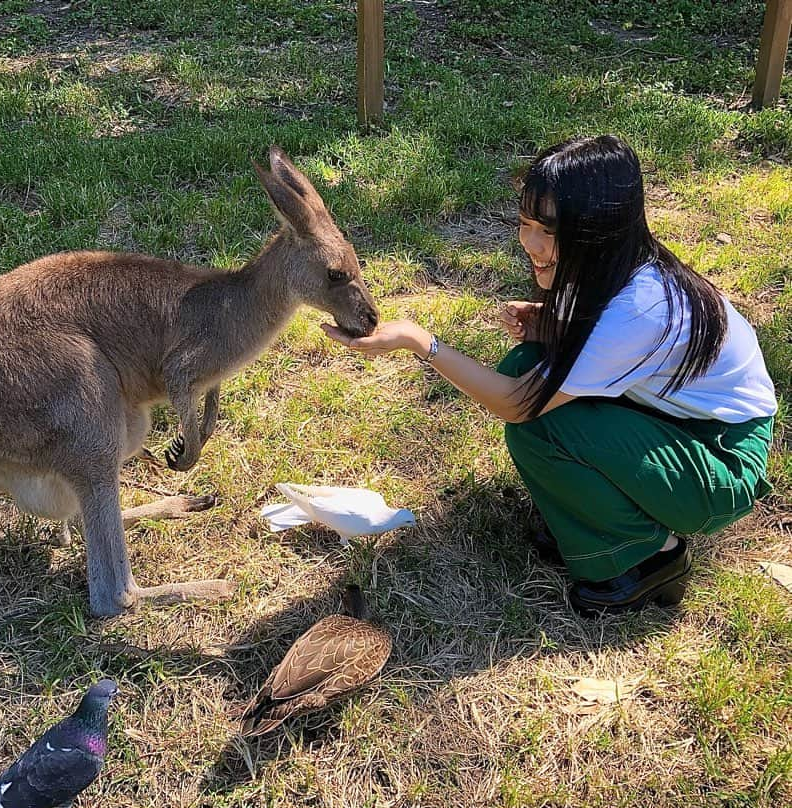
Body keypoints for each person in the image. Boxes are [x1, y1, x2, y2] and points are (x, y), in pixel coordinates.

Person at [321, 135, 777, 616]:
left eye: (551, 230)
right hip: (674, 423)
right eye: (524, 223)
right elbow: (611, 348)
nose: (532, 244)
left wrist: (421, 342)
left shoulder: (642, 307)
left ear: (600, 229)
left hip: (720, 461)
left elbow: (518, 403)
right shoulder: (619, 265)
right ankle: (594, 519)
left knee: (540, 421)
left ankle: (649, 557)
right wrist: (550, 323)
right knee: (527, 365)